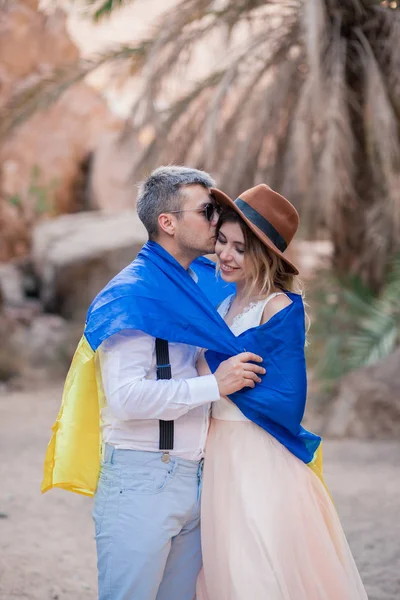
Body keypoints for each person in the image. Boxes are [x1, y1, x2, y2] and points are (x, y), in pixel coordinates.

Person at [90, 167, 265, 600]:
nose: (217, 221)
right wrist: (215, 386)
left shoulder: (202, 283)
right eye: (208, 211)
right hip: (143, 474)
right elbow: (126, 398)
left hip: (199, 476)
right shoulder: (133, 292)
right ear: (167, 222)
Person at [196, 184, 368, 600]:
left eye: (241, 248)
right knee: (221, 565)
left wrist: (220, 375)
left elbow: (288, 399)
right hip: (216, 449)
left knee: (256, 564)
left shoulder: (277, 308)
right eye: (222, 241)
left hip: (259, 454)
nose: (226, 255)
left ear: (265, 255)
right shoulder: (219, 306)